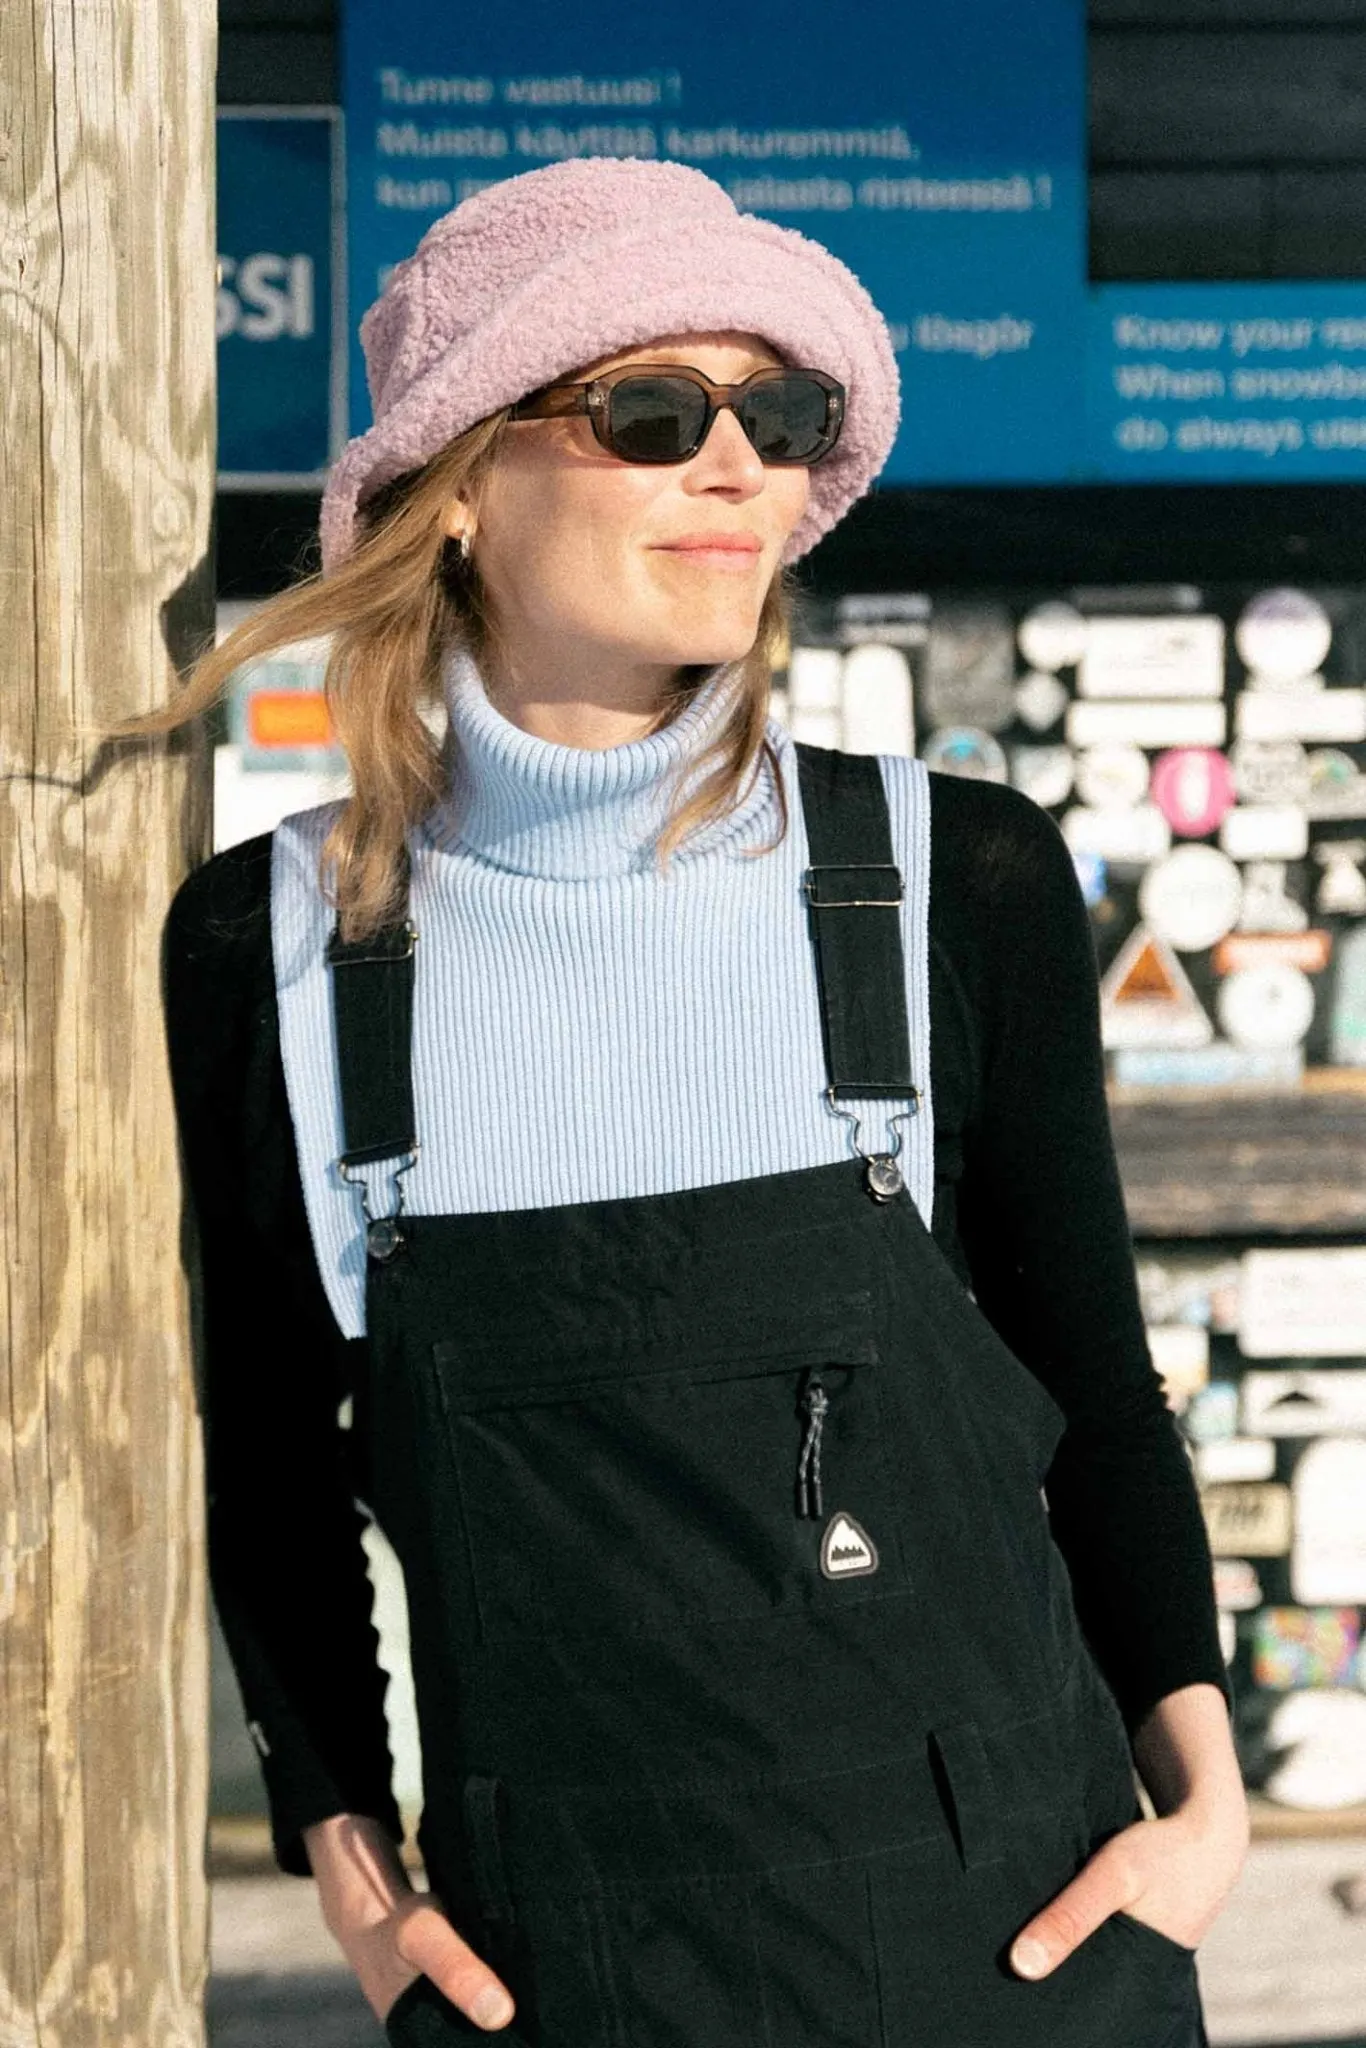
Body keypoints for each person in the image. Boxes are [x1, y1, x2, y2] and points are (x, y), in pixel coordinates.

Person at [129, 157, 1249, 2044]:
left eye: (780, 415)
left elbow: (1096, 1394)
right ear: (462, 485)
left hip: (1026, 1954)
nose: (741, 469)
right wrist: (344, 1858)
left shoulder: (943, 877)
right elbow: (266, 1462)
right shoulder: (275, 944)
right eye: (653, 413)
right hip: (555, 1982)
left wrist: (1204, 1806)